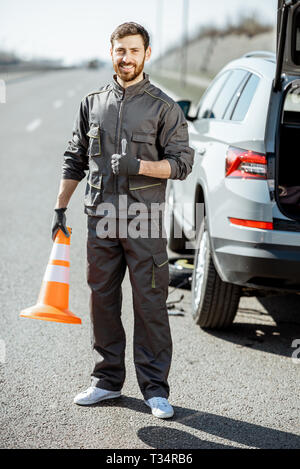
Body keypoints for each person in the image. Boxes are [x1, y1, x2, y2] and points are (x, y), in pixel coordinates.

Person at [52, 22, 194, 419]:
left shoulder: (164, 107)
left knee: (150, 304)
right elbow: (74, 157)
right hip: (101, 219)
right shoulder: (93, 102)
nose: (126, 57)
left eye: (134, 50)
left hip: (143, 221)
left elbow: (183, 163)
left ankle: (155, 390)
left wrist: (141, 167)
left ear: (147, 54)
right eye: (120, 50)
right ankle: (107, 381)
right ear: (111, 52)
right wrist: (61, 207)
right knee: (102, 301)